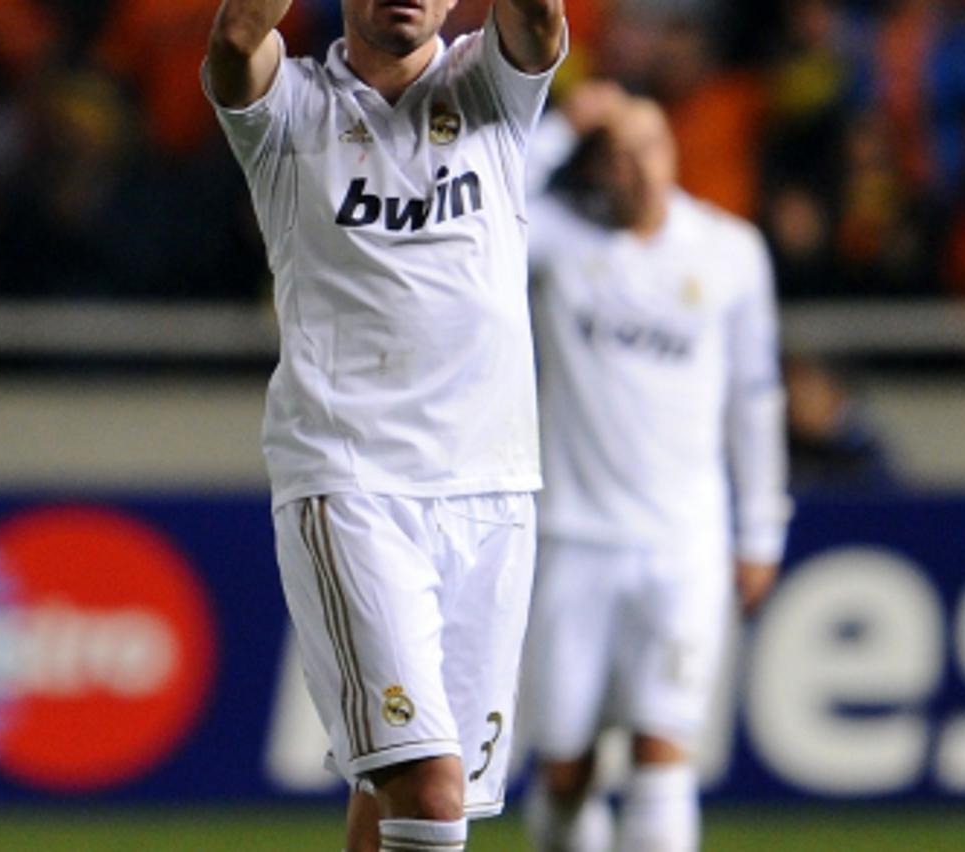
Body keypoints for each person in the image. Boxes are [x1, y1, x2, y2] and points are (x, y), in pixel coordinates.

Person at [202, 0, 566, 849]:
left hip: (493, 487)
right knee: (429, 792)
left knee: (409, 796)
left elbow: (542, 21)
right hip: (353, 484)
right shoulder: (288, 111)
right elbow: (232, 43)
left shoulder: (494, 91)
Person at [521, 84, 792, 852]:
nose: (639, 167)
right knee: (566, 767)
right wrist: (558, 128)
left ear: (674, 152)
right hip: (575, 540)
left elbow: (755, 397)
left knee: (662, 750)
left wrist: (761, 529)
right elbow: (483, 212)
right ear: (597, 168)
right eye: (618, 153)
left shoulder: (731, 252)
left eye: (651, 146)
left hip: (685, 543)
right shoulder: (558, 244)